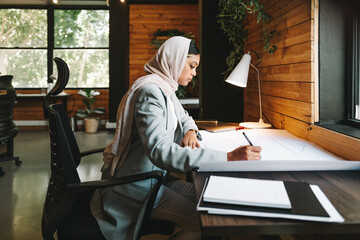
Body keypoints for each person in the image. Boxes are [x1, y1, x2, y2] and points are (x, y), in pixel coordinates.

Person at [90, 36, 261, 240]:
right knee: (211, 223)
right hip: (138, 186)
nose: (194, 73)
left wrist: (190, 131)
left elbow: (185, 117)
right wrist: (228, 157)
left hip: (155, 179)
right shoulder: (150, 92)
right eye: (191, 66)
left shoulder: (166, 89)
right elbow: (160, 151)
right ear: (175, 60)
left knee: (214, 202)